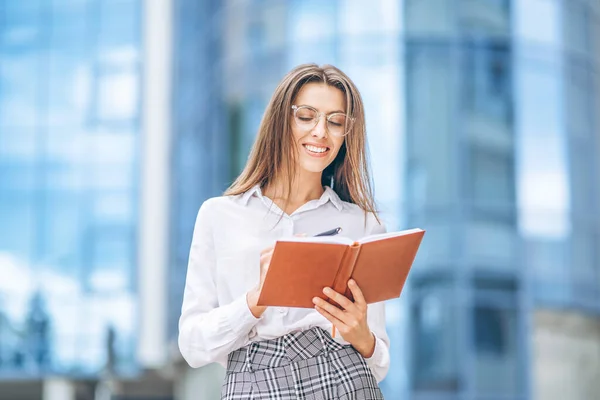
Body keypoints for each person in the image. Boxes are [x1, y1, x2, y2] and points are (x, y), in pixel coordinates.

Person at [178, 63, 390, 399]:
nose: (321, 131)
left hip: (343, 377)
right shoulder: (220, 214)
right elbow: (192, 344)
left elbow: (377, 364)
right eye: (306, 116)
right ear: (281, 121)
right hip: (253, 381)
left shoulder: (363, 224)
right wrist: (257, 299)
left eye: (335, 122)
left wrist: (360, 333)